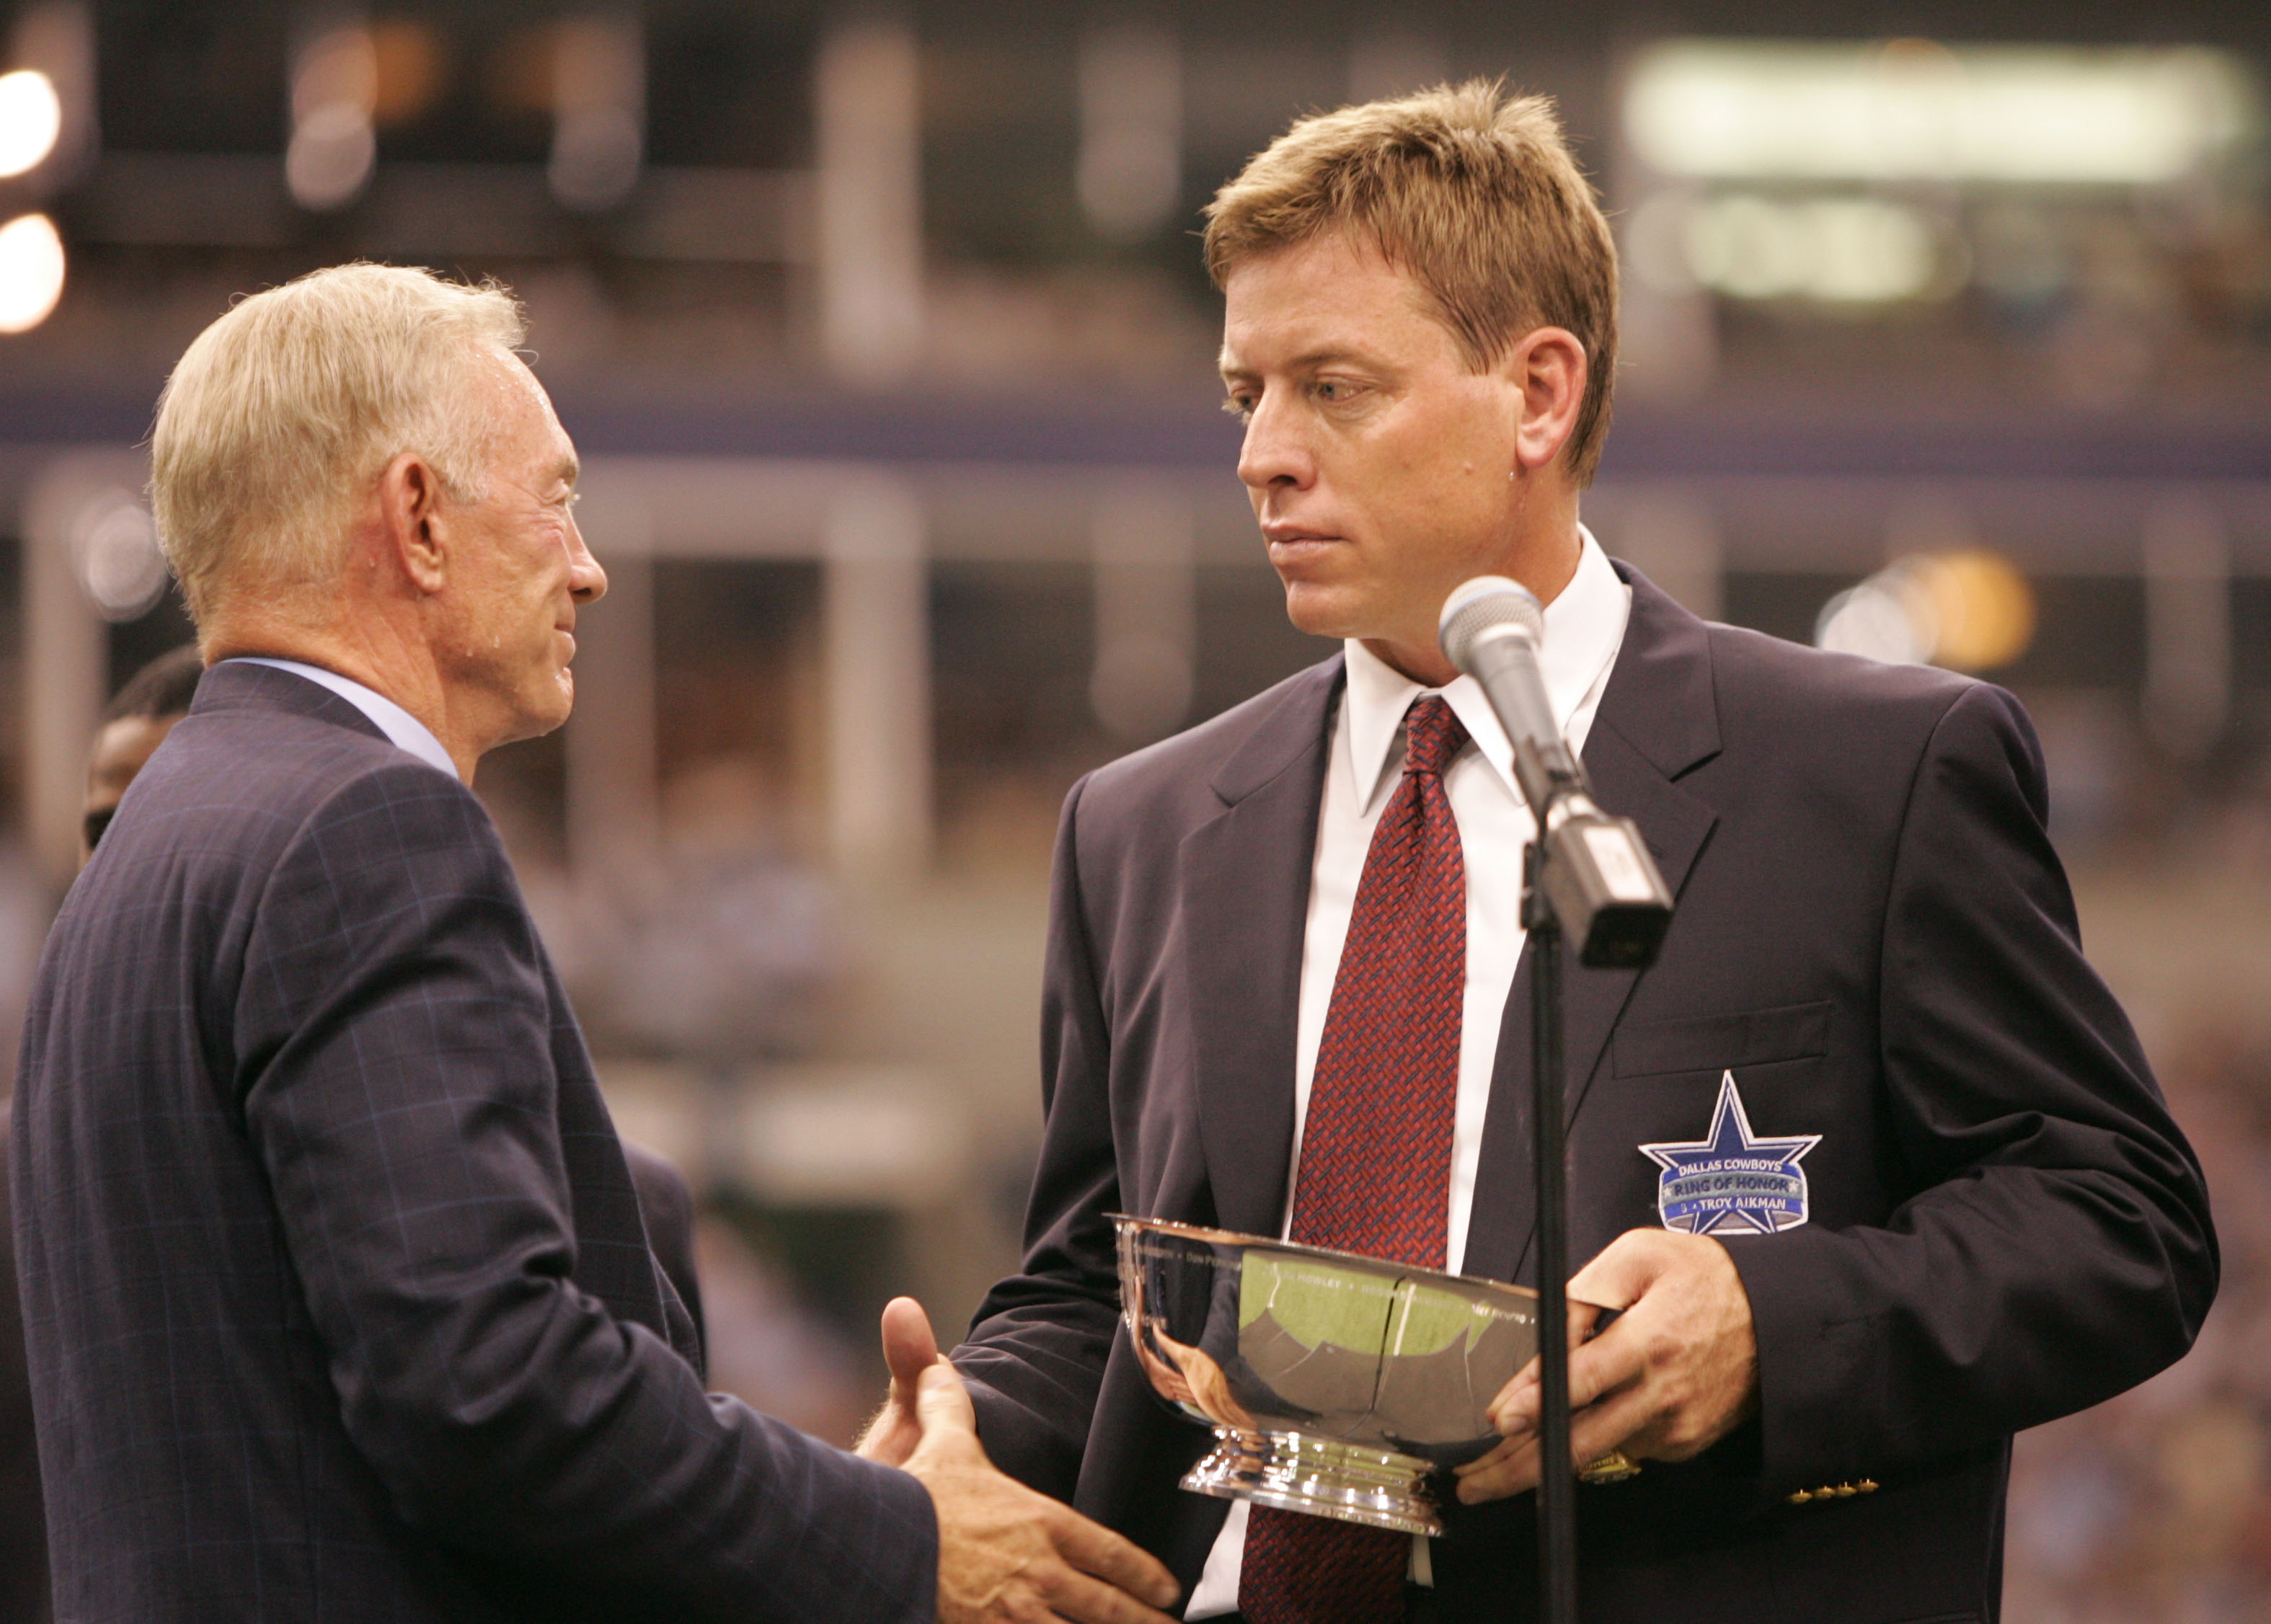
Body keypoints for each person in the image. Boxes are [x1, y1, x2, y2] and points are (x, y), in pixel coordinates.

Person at [862, 84, 2219, 1623]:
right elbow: (1089, 1294)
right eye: (1243, 392)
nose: (1262, 454)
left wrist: (1772, 1319)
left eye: (1331, 387)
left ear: (1538, 394)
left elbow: (2123, 1219)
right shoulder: (1143, 823)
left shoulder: (1874, 774)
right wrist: (965, 1434)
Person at [10, 262, 1178, 1624]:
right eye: (557, 496)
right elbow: (486, 1383)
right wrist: (898, 1539)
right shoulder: (363, 825)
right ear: (419, 520)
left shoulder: (138, 854)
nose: (589, 563)